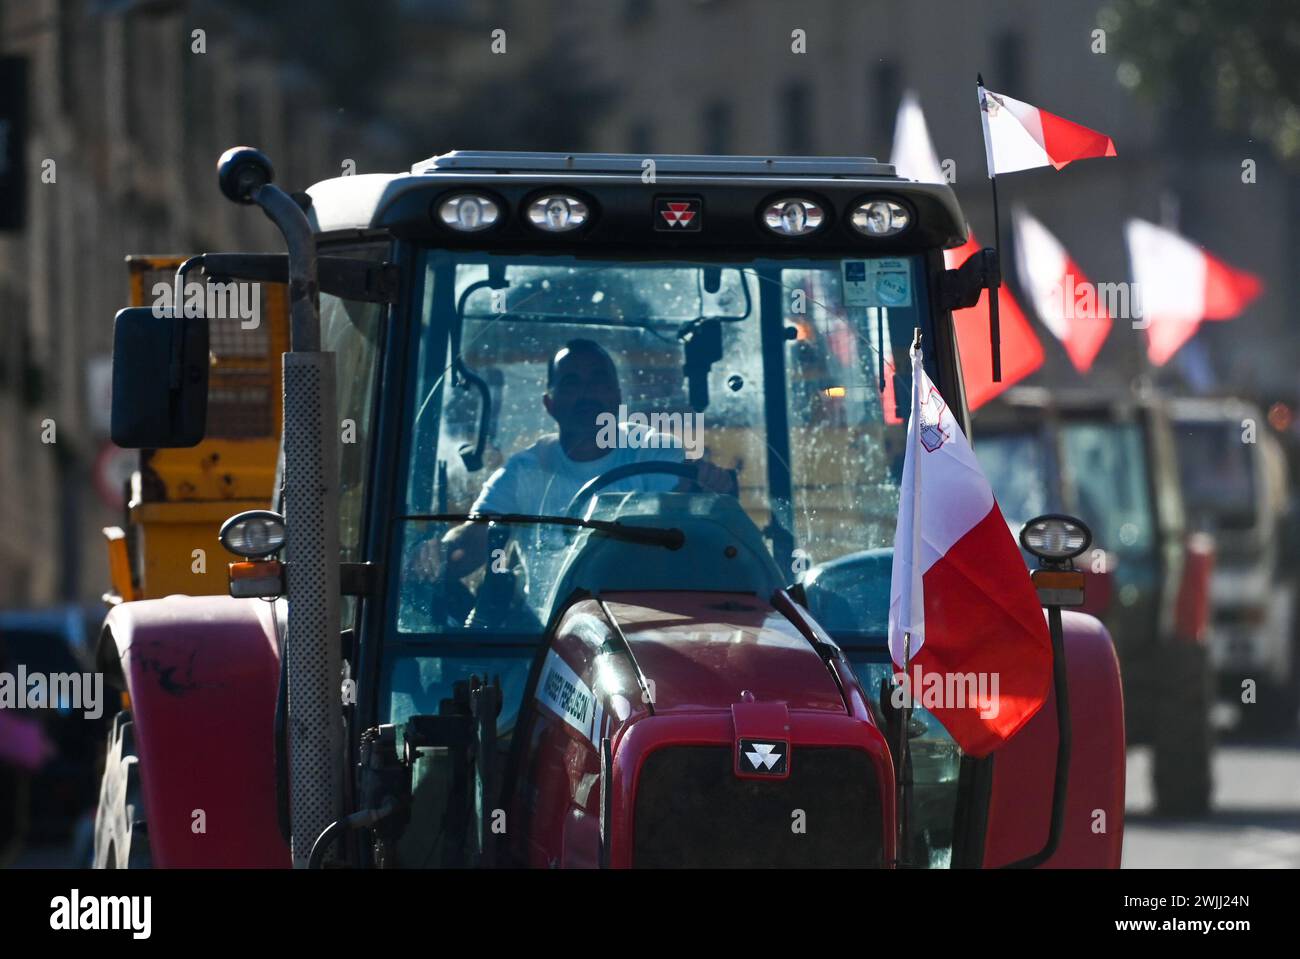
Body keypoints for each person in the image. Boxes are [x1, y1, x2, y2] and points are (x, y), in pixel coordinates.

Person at [426, 338, 733, 580]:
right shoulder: (524, 471)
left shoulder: (654, 451)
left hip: (643, 621)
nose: (587, 392)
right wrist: (437, 554)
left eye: (598, 380)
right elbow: (475, 538)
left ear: (616, 395)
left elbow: (691, 522)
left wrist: (709, 490)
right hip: (545, 635)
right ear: (550, 403)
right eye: (571, 382)